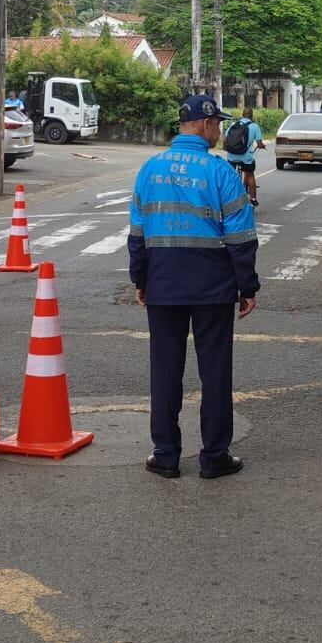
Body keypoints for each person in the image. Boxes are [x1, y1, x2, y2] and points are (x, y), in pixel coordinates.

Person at [128, 95, 260, 480]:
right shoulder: (220, 173)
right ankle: (214, 455)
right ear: (204, 125)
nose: (219, 130)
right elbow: (241, 236)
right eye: (217, 124)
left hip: (163, 283)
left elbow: (137, 233)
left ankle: (165, 455)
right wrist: (246, 286)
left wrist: (141, 279)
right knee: (215, 370)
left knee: (165, 370)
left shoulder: (149, 169)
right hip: (212, 287)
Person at [224, 106, 267, 207]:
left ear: (242, 114)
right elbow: (259, 144)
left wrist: (225, 148)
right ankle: (253, 199)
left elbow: (225, 140)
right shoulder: (254, 126)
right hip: (245, 157)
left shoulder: (234, 124)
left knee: (230, 175)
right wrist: (262, 146)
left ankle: (228, 197)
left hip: (232, 156)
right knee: (250, 174)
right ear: (251, 116)